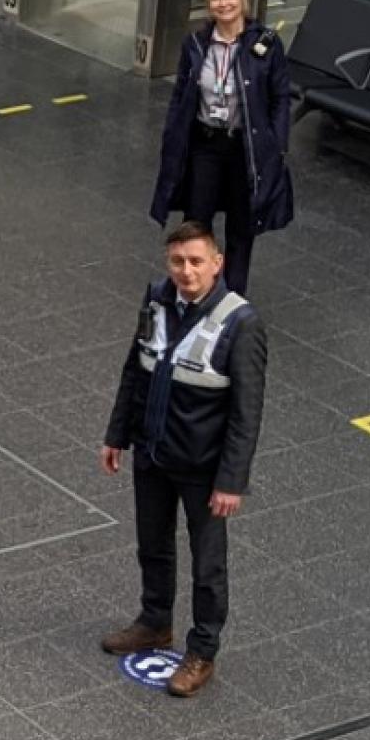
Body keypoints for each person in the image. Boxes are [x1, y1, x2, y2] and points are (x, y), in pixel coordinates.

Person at [100, 221, 267, 698]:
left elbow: (246, 412)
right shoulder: (157, 297)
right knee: (152, 544)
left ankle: (202, 650)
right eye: (177, 261)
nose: (186, 271)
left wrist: (231, 481)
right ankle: (154, 621)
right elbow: (136, 368)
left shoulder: (242, 323)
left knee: (207, 565)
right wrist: (117, 435)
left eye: (196, 261)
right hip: (153, 453)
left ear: (218, 263)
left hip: (204, 470)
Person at [149, 0, 293, 295]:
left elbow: (281, 96)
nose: (224, 3)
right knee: (197, 219)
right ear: (209, 6)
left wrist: (276, 143)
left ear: (242, 0)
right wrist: (172, 136)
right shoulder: (197, 44)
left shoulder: (265, 44)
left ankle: (233, 296)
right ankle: (195, 288)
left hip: (246, 147)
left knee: (242, 225)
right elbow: (181, 94)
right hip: (207, 144)